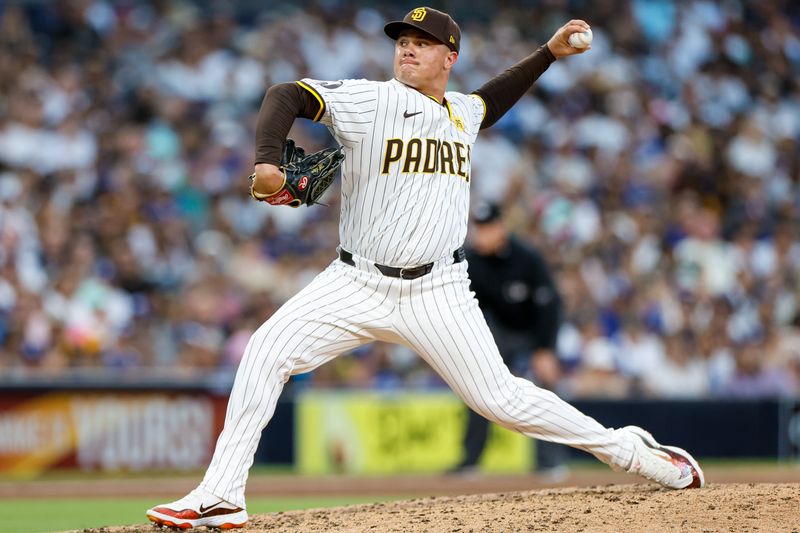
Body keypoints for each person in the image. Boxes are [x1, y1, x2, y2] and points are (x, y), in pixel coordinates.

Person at [146, 7, 704, 529]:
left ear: (450, 58)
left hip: (438, 288)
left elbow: (492, 100)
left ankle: (632, 451)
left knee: (503, 401)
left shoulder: (461, 111)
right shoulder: (371, 101)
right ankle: (222, 495)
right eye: (403, 43)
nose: (408, 51)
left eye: (422, 44)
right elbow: (286, 93)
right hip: (356, 281)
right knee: (265, 352)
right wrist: (267, 160)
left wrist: (549, 54)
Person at [450, 201, 569, 477]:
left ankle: (550, 462)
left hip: (532, 331)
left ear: (501, 227)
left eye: (487, 227)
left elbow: (549, 306)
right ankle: (470, 461)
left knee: (546, 386)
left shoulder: (527, 258)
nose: (481, 234)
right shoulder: (472, 262)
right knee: (477, 385)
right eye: (478, 228)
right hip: (500, 332)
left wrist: (545, 349)